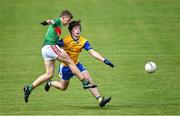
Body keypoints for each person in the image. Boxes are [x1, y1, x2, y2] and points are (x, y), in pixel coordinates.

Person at [23, 10, 94, 103]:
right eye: (68, 20)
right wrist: (47, 22)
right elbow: (52, 21)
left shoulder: (60, 25)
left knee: (49, 75)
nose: (68, 23)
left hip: (45, 49)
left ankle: (29, 88)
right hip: (51, 47)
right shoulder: (58, 21)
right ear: (63, 18)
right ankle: (85, 82)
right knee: (70, 62)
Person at [44, 20, 114, 107]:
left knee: (89, 79)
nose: (77, 30)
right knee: (63, 87)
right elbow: (54, 49)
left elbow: (92, 52)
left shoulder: (83, 41)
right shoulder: (65, 40)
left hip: (77, 64)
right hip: (66, 67)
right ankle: (50, 83)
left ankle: (100, 100)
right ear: (71, 31)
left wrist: (104, 60)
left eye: (79, 29)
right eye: (75, 28)